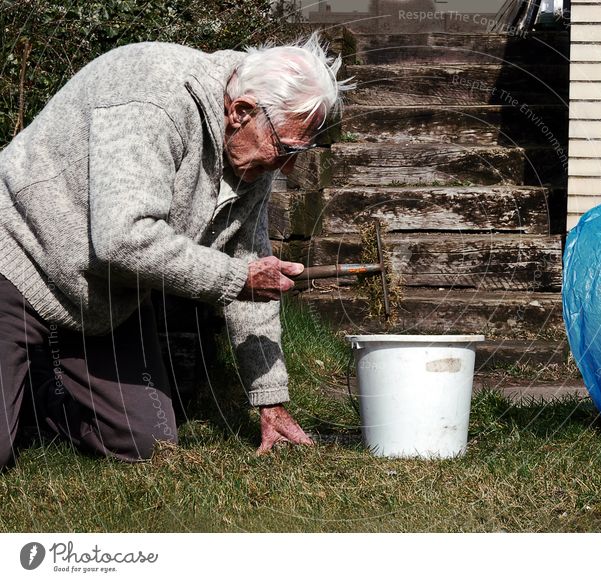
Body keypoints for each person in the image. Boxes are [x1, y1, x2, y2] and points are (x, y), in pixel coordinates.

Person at [0, 33, 351, 468]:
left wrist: (270, 399)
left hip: (103, 300)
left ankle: (37, 389)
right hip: (18, 263)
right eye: (287, 150)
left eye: (300, 152)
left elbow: (251, 267)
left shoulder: (251, 154)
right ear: (240, 112)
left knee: (145, 442)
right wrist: (236, 278)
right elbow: (122, 238)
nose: (290, 167)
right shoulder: (152, 98)